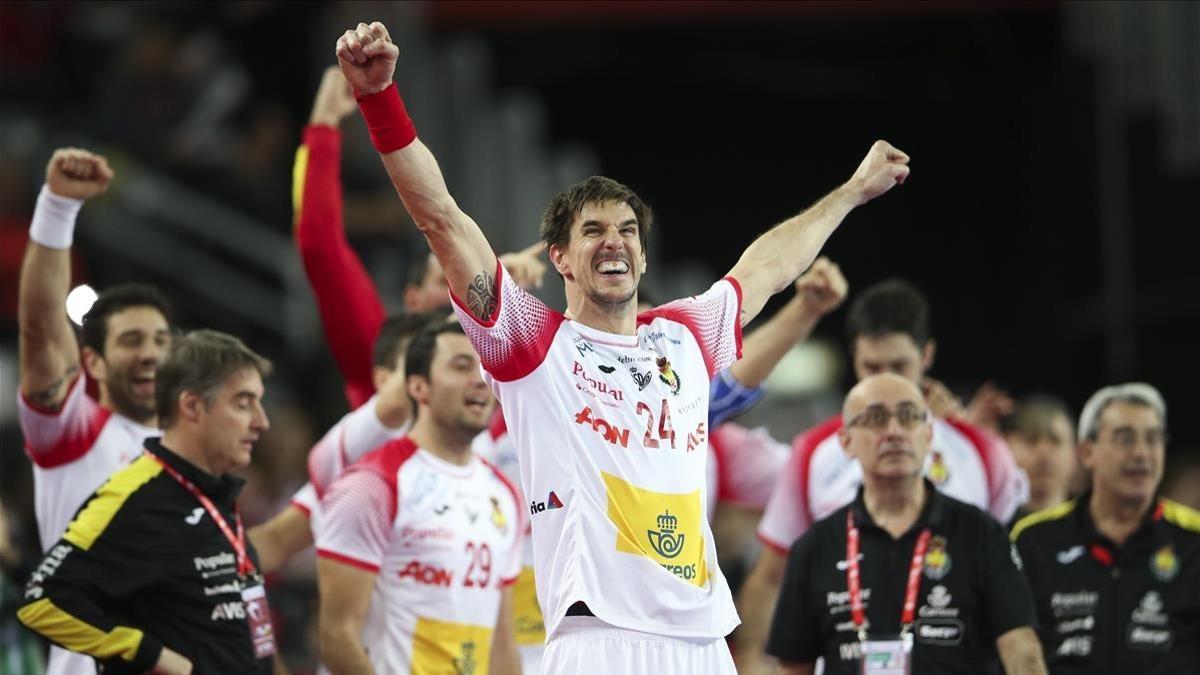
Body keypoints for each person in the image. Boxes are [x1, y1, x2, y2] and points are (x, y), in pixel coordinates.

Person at [335, 19, 909, 673]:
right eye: (594, 229)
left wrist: (853, 192)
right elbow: (440, 214)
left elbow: (768, 267)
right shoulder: (533, 344)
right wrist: (380, 99)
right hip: (597, 640)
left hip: (701, 641)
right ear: (561, 258)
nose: (616, 240)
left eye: (629, 229)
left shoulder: (685, 334)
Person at [738, 278, 1029, 673]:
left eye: (899, 366)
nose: (884, 379)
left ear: (926, 356)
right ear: (853, 356)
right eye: (871, 366)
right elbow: (772, 577)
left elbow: (1006, 573)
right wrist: (750, 661)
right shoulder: (814, 452)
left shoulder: (981, 451)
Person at [17, 330, 274, 675]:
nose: (262, 422)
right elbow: (43, 601)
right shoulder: (135, 496)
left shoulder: (216, 494)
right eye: (243, 404)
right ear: (192, 406)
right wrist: (150, 655)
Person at [293, 66, 547, 409]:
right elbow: (318, 244)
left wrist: (506, 293)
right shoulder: (382, 354)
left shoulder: (512, 370)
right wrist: (324, 125)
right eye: (443, 280)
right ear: (412, 300)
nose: (459, 287)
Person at [767, 373, 1045, 674]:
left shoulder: (981, 533)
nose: (894, 431)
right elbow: (793, 667)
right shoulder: (815, 547)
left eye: (908, 416)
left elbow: (1021, 649)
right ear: (846, 442)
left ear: (928, 435)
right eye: (875, 418)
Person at [16, 147, 173, 675]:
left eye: (159, 339)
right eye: (131, 340)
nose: (150, 352)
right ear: (94, 364)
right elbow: (40, 329)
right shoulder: (76, 428)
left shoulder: (193, 453)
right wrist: (57, 207)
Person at [315, 321, 524, 675]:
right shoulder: (373, 485)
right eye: (460, 367)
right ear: (417, 387)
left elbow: (502, 641)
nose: (479, 380)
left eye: (484, 368)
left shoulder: (504, 495)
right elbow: (337, 636)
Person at [1012, 383, 1200, 674]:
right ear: (1087, 452)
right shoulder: (1033, 540)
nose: (1141, 452)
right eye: (1124, 439)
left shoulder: (1194, 539)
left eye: (1153, 439)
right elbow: (1012, 646)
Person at [1002, 395, 1078, 522]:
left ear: (1076, 454)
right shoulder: (990, 529)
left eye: (1055, 440)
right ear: (1007, 446)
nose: (1044, 453)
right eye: (1031, 440)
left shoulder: (1094, 529)